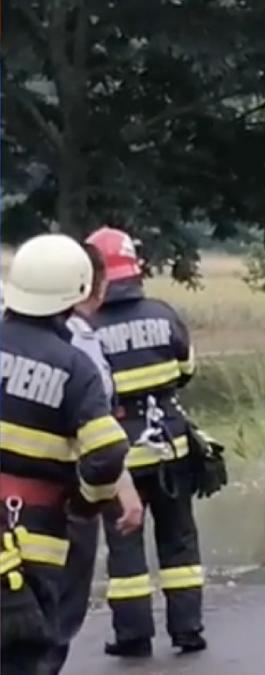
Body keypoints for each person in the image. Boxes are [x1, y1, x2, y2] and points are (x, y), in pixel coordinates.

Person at [0, 234, 138, 673]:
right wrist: (86, 502)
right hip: (33, 541)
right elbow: (107, 449)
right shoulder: (74, 367)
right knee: (27, 653)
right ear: (78, 291)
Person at [85, 226, 207, 657]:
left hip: (119, 457)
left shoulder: (85, 329)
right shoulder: (163, 313)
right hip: (170, 446)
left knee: (124, 548)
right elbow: (186, 370)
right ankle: (188, 629)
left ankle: (133, 636)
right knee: (180, 541)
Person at [46, 244, 146, 674]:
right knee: (54, 617)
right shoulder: (79, 348)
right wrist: (116, 495)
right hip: (59, 505)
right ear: (96, 286)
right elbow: (101, 441)